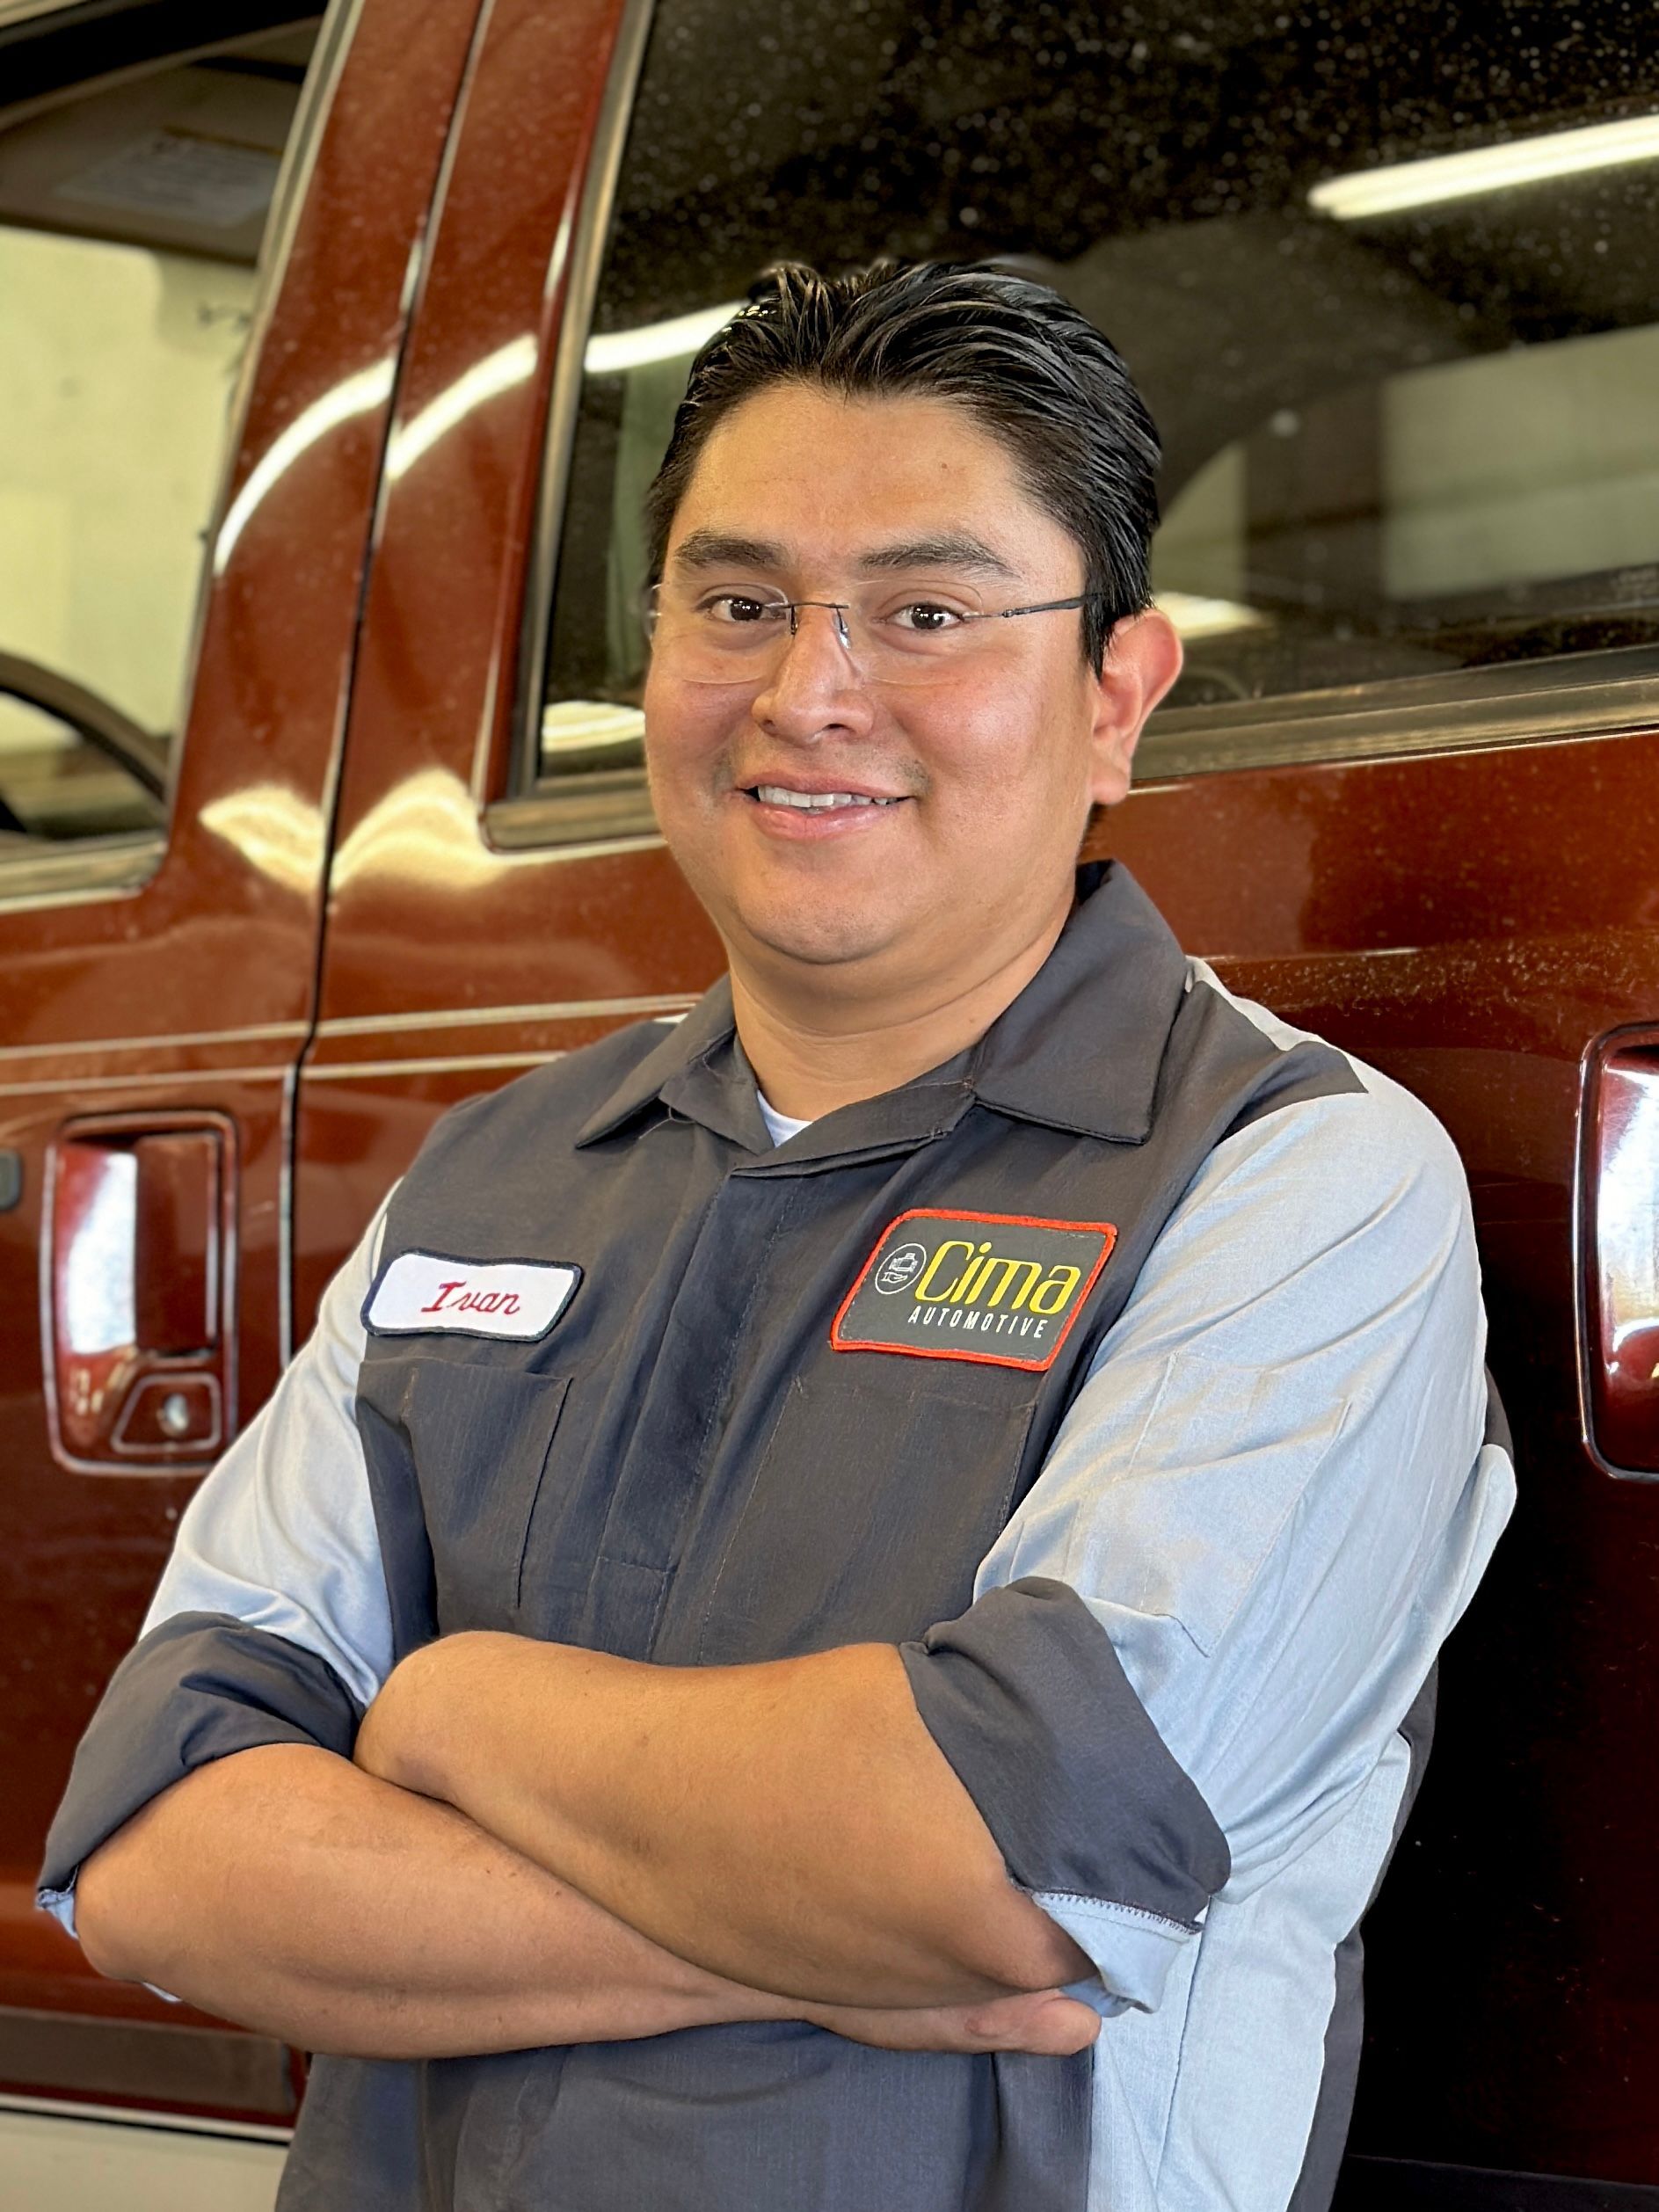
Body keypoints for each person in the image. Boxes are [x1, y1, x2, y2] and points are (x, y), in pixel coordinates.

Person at [40, 260, 1513, 2211]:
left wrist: (447, 1708)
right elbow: (159, 1857)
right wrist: (818, 1944)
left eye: (926, 613)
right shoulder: (488, 1181)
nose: (809, 690)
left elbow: (1001, 1862)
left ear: (1114, 696)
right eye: (737, 606)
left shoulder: (1294, 1185)